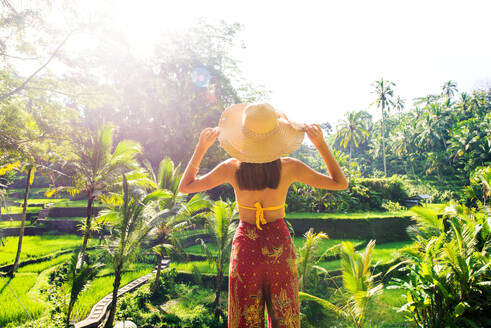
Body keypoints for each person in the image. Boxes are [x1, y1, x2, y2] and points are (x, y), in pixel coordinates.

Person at [178, 103, 348, 328]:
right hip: (279, 243)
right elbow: (340, 183)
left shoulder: (231, 167)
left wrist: (201, 148)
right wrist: (320, 144)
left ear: (243, 136)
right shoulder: (290, 167)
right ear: (276, 136)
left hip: (245, 247)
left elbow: (185, 186)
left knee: (244, 319)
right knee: (285, 316)